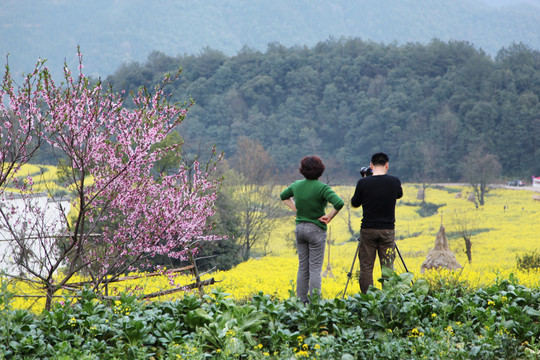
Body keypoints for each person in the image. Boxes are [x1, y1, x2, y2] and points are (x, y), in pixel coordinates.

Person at [280, 155, 344, 304]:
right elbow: (339, 203)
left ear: (302, 170)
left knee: (303, 267)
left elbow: (284, 196)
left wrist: (296, 209)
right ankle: (314, 303)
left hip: (300, 229)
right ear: (320, 170)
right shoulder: (322, 188)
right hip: (316, 230)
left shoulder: (296, 185)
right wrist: (329, 216)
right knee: (315, 269)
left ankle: (301, 302)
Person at [351, 152, 403, 293]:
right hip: (387, 230)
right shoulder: (395, 181)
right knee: (387, 266)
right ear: (387, 165)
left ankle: (368, 299)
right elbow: (399, 194)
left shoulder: (363, 182)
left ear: (371, 166)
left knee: (366, 267)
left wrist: (366, 182)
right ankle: (388, 297)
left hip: (368, 229)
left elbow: (354, 203)